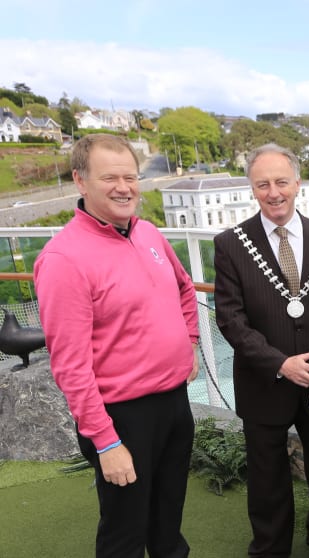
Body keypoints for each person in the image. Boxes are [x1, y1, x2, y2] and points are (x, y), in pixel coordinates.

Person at [35, 133, 201, 557]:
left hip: (174, 403)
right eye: (110, 178)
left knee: (168, 523)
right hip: (121, 416)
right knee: (124, 533)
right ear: (80, 181)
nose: (124, 187)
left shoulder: (148, 233)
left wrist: (190, 343)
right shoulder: (63, 260)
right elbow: (70, 367)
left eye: (130, 177)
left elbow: (185, 289)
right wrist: (106, 443)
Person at [213, 143, 309, 556]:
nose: (273, 193)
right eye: (263, 184)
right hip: (264, 382)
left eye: (281, 182)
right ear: (252, 188)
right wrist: (280, 364)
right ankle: (271, 548)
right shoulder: (230, 245)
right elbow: (231, 320)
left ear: (297, 183)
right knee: (266, 478)